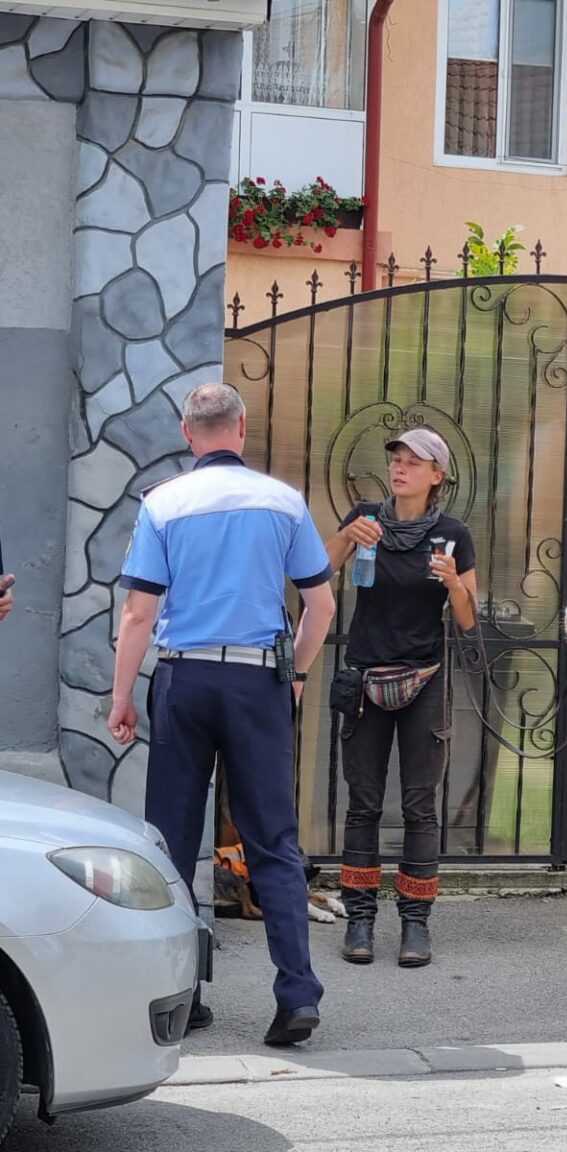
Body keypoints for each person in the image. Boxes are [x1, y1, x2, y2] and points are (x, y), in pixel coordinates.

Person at [107, 382, 336, 1046]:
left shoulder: (163, 504)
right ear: (241, 428)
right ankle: (296, 994)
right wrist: (295, 674)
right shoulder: (283, 501)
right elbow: (320, 605)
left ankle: (182, 998)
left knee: (173, 841)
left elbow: (139, 613)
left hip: (184, 677)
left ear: (188, 433)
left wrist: (122, 698)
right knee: (273, 840)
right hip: (257, 681)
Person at [324, 428, 477, 968]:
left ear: (437, 475)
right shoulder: (366, 518)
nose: (400, 468)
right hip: (365, 676)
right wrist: (347, 536)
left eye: (414, 462)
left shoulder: (453, 535)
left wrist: (453, 583)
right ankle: (360, 920)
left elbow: (468, 618)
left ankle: (415, 924)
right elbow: (317, 573)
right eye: (396, 459)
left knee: (419, 805)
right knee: (363, 802)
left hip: (424, 679)